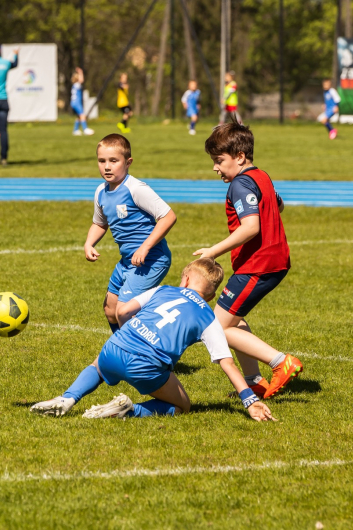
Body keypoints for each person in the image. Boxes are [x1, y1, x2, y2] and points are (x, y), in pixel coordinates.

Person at [29, 259, 274, 421]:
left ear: (186, 279)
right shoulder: (208, 317)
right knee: (183, 407)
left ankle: (68, 398)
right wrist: (249, 401)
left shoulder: (164, 289)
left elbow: (122, 312)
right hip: (147, 366)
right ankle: (129, 410)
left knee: (98, 366)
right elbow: (226, 363)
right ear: (210, 296)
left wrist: (129, 334)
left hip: (115, 348)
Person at [193, 120, 303, 399]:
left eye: (219, 161)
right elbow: (278, 203)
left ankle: (281, 362)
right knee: (232, 320)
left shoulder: (239, 184)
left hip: (258, 265)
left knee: (217, 326)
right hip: (272, 262)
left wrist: (213, 251)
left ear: (239, 157)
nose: (215, 168)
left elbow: (251, 226)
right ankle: (254, 380)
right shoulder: (260, 176)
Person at [86, 134, 177, 334]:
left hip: (152, 259)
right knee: (110, 310)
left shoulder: (135, 189)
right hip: (128, 261)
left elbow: (168, 216)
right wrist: (89, 243)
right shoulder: (101, 191)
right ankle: (124, 351)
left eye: (113, 161)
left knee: (123, 311)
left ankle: (144, 354)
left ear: (128, 163)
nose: (107, 166)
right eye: (102, 161)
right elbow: (99, 223)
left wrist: (145, 247)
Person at [70, 68, 94, 137]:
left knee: (79, 116)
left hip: (73, 102)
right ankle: (85, 129)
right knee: (82, 115)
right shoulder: (77, 84)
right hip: (76, 102)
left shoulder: (74, 85)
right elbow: (81, 80)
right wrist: (81, 72)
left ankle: (75, 130)